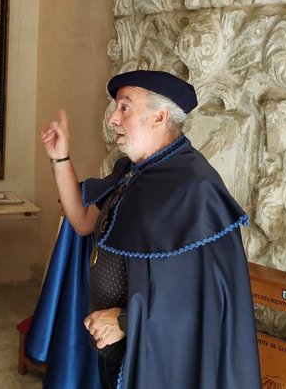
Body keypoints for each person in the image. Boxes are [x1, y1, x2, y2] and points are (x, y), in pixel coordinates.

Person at [40, 70, 261, 389]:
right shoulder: (130, 172)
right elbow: (83, 220)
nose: (113, 118)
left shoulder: (195, 187)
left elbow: (196, 299)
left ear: (160, 116)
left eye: (125, 107)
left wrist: (124, 321)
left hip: (159, 358)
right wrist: (60, 158)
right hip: (111, 349)